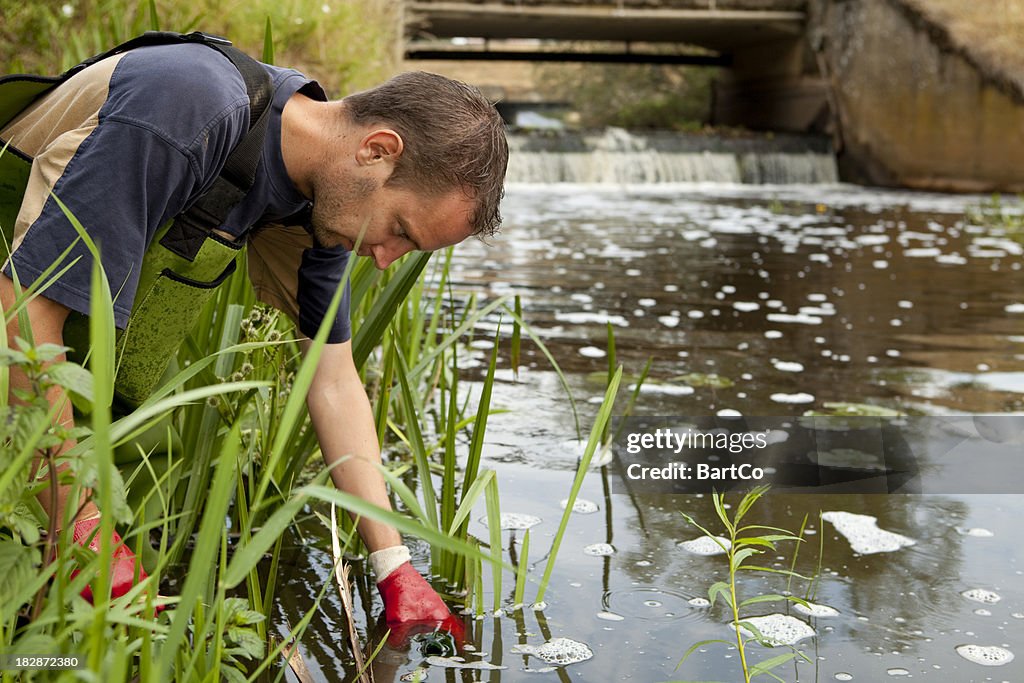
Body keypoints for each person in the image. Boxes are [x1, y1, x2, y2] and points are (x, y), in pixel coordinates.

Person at [0, 36, 508, 641]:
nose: (384, 259)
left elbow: (334, 380)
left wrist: (394, 567)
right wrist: (80, 532)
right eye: (399, 229)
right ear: (376, 150)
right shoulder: (187, 106)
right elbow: (22, 321)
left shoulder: (315, 205)